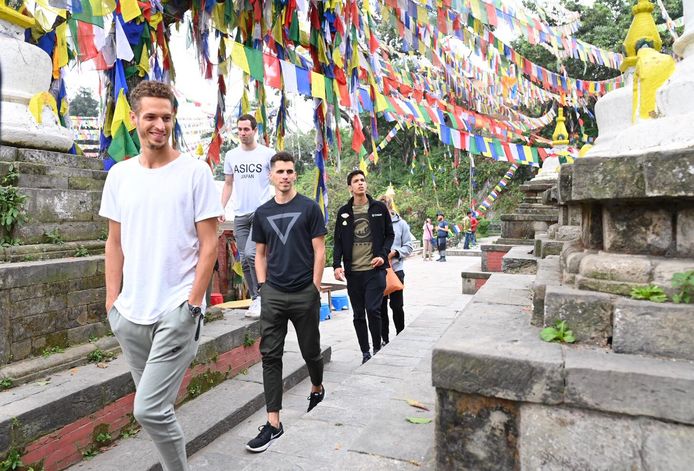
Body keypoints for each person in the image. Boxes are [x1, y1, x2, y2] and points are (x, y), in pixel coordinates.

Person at [100, 80, 223, 471]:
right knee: (158, 407)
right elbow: (113, 243)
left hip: (176, 309)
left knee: (148, 410)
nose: (159, 124)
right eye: (150, 116)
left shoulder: (195, 172)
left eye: (166, 117)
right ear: (134, 118)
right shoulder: (119, 175)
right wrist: (112, 303)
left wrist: (192, 305)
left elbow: (210, 244)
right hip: (130, 313)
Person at [246, 151, 326, 453]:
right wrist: (264, 288)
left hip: (304, 291)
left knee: (311, 352)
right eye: (279, 171)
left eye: (290, 171)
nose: (285, 176)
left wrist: (315, 286)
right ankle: (274, 423)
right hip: (274, 295)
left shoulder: (309, 208)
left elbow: (319, 250)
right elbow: (260, 254)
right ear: (271, 175)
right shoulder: (262, 213)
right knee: (270, 356)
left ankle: (317, 387)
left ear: (295, 174)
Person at [333, 170, 394, 364]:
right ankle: (365, 352)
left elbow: (389, 235)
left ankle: (377, 346)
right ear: (350, 187)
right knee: (358, 314)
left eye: (362, 180)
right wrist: (336, 265)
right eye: (356, 181)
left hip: (374, 271)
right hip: (353, 273)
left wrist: (382, 256)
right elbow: (338, 241)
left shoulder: (379, 208)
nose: (360, 183)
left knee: (373, 309)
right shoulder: (344, 211)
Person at [220, 114, 275, 319]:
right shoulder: (232, 155)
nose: (242, 133)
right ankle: (256, 298)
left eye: (246, 129)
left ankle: (263, 295)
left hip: (261, 212)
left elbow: (278, 179)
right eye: (239, 130)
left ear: (254, 130)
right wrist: (221, 207)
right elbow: (228, 183)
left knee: (253, 254)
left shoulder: (267, 154)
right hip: (240, 213)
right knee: (243, 259)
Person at [379, 195, 413, 345]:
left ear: (389, 207)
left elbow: (409, 246)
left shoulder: (401, 224)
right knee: (380, 308)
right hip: (378, 270)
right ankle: (384, 339)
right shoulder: (374, 224)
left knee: (397, 306)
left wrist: (395, 253)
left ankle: (401, 335)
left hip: (396, 270)